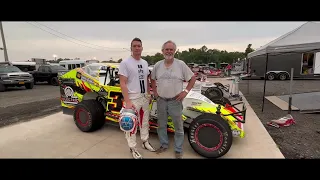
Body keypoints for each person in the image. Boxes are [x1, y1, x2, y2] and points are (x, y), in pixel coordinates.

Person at [150, 40, 196, 159]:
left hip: (175, 101)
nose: (169, 51)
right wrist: (155, 92)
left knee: (178, 127)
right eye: (167, 49)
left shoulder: (181, 65)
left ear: (174, 51)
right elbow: (152, 79)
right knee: (161, 125)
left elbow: (192, 78)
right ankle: (164, 145)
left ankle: (178, 149)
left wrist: (185, 92)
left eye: (171, 49)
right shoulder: (157, 65)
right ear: (162, 51)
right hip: (161, 100)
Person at [118, 37, 156, 159]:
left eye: (139, 46)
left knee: (144, 122)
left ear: (142, 48)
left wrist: (148, 94)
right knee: (130, 124)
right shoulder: (125, 63)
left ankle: (145, 142)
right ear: (131, 48)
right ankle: (133, 148)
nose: (137, 48)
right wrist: (127, 101)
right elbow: (122, 83)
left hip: (144, 97)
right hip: (132, 99)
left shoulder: (144, 63)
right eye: (134, 46)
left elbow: (146, 79)